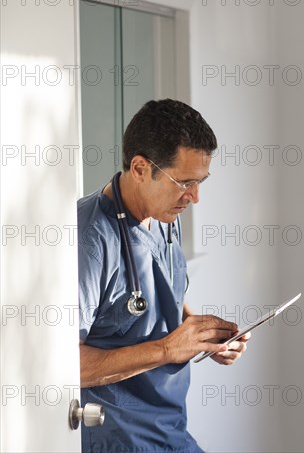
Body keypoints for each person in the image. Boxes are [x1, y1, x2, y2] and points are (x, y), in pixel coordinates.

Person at [78, 99, 250, 453]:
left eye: (201, 182)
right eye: (185, 182)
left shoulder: (166, 213)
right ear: (140, 168)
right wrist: (169, 348)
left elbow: (153, 291)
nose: (195, 198)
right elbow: (64, 365)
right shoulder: (88, 239)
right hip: (118, 437)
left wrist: (201, 334)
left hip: (169, 428)